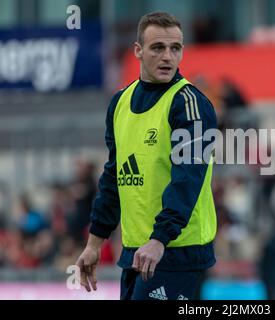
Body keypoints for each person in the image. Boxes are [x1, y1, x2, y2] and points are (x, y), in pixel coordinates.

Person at [75, 12, 218, 300]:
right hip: (136, 253)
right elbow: (114, 177)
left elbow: (187, 180)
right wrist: (94, 243)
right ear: (138, 51)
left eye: (175, 48)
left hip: (178, 254)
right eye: (158, 48)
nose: (168, 57)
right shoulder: (120, 102)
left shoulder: (190, 104)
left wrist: (160, 238)